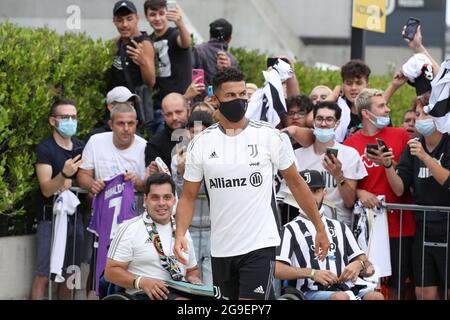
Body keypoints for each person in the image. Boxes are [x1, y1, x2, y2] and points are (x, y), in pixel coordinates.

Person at [173, 67, 329, 300]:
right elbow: (187, 196)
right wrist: (180, 234)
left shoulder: (267, 135)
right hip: (222, 248)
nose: (238, 100)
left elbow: (296, 184)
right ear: (215, 100)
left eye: (242, 94)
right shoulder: (202, 143)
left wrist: (319, 227)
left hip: (259, 245)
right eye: (230, 96)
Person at [343, 88, 415, 300]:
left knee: (398, 286)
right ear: (366, 113)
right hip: (367, 228)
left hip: (400, 225)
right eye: (382, 106)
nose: (388, 109)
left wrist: (387, 163)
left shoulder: (400, 135)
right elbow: (348, 187)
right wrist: (359, 191)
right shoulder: (351, 144)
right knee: (368, 284)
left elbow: (402, 186)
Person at [381, 93, 450, 300]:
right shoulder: (413, 146)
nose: (418, 118)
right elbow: (400, 187)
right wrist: (387, 166)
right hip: (424, 227)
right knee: (423, 292)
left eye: (423, 114)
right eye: (417, 113)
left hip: (447, 225)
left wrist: (425, 157)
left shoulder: (447, 143)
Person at [275, 169, 383, 300]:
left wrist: (359, 265)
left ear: (324, 193)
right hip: (308, 292)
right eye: (305, 192)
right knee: (341, 298)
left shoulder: (340, 227)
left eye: (315, 191)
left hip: (345, 289)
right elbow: (277, 269)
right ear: (296, 194)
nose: (310, 196)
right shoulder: (289, 229)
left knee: (376, 297)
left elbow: (370, 269)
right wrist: (312, 273)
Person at [104, 173, 202, 300]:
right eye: (155, 198)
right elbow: (110, 272)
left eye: (167, 197)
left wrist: (193, 279)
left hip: (179, 291)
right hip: (143, 294)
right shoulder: (129, 228)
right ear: (145, 199)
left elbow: (192, 270)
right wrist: (141, 282)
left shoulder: (181, 230)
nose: (161, 203)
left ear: (174, 200)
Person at [32, 99, 84, 300]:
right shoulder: (45, 148)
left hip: (76, 218)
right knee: (43, 274)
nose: (70, 121)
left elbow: (88, 179)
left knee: (71, 273)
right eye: (65, 117)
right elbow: (46, 189)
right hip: (49, 219)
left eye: (73, 117)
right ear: (53, 121)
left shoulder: (81, 147)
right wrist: (63, 174)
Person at [294, 102, 367, 227]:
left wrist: (338, 175)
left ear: (337, 124)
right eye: (319, 119)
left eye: (329, 119)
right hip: (305, 224)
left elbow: (349, 201)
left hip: (338, 225)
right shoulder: (297, 155)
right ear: (314, 122)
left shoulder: (349, 154)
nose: (323, 124)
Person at [77, 102, 147, 194]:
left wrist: (135, 183)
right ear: (111, 125)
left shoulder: (145, 147)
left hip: (135, 204)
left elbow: (152, 186)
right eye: (121, 123)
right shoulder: (95, 141)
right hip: (102, 202)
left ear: (136, 124)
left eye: (130, 123)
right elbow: (83, 174)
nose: (126, 128)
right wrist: (93, 184)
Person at [144, 0, 192, 108]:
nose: (157, 18)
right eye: (152, 15)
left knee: (195, 125)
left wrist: (180, 25)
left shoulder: (175, 34)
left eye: (161, 13)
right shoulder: (148, 41)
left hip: (182, 104)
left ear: (167, 14)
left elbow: (186, 43)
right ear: (146, 17)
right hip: (159, 106)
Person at [109, 0, 155, 92]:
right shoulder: (115, 42)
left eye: (129, 19)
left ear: (137, 18)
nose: (125, 24)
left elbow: (150, 83)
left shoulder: (144, 44)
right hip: (115, 102)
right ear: (114, 21)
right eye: (120, 20)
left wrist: (143, 63)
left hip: (134, 103)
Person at [145, 93, 189, 173]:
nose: (174, 118)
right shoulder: (155, 144)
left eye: (178, 112)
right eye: (169, 114)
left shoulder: (201, 134)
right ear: (163, 115)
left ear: (188, 111)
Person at [192, 18, 239, 87]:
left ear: (210, 34)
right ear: (230, 38)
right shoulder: (233, 60)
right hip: (222, 97)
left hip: (198, 96)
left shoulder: (197, 50)